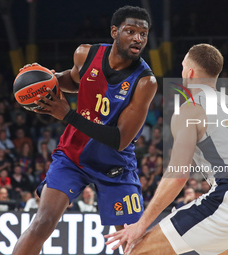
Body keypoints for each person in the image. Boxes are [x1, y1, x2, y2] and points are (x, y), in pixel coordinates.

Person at [106, 44, 228, 255]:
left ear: (189, 72)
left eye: (182, 67)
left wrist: (141, 225)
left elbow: (178, 176)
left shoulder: (191, 109)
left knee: (137, 251)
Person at [12, 5, 156, 255]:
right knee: (42, 222)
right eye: (131, 31)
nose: (137, 38)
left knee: (132, 240)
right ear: (114, 31)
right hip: (72, 155)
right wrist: (46, 80)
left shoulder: (145, 82)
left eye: (143, 34)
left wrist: (67, 115)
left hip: (115, 165)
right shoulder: (85, 54)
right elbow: (74, 79)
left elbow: (119, 140)